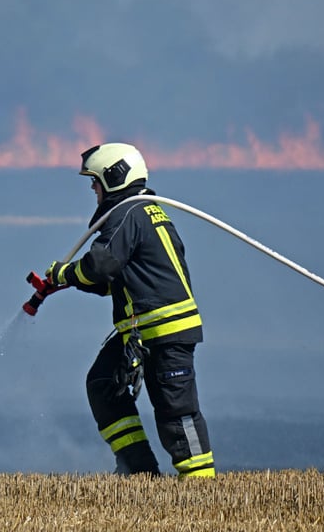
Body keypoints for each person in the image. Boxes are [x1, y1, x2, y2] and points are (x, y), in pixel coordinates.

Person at [44, 142, 215, 478]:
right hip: (140, 331)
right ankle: (138, 473)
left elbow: (100, 265)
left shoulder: (128, 212)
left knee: (176, 412)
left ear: (114, 176)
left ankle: (202, 488)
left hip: (165, 329)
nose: (93, 188)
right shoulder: (141, 211)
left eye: (95, 180)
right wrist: (71, 281)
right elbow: (109, 280)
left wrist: (63, 273)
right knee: (103, 384)